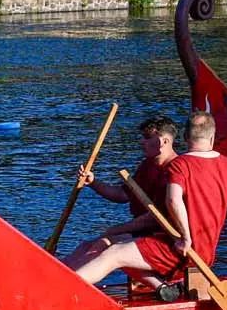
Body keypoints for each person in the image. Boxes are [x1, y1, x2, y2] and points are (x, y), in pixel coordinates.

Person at [69, 111, 227, 300]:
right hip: (201, 251)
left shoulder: (179, 165)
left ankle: (64, 290)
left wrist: (186, 237)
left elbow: (173, 200)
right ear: (212, 135)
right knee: (119, 246)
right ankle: (159, 288)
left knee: (114, 254)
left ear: (186, 136)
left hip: (182, 250)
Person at [62, 116, 179, 295]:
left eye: (147, 137)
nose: (142, 142)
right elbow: (122, 195)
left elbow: (156, 220)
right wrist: (93, 182)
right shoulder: (148, 165)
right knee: (87, 245)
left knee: (103, 243)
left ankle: (64, 288)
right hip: (143, 231)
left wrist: (114, 230)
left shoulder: (176, 171)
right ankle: (57, 274)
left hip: (163, 236)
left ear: (164, 141)